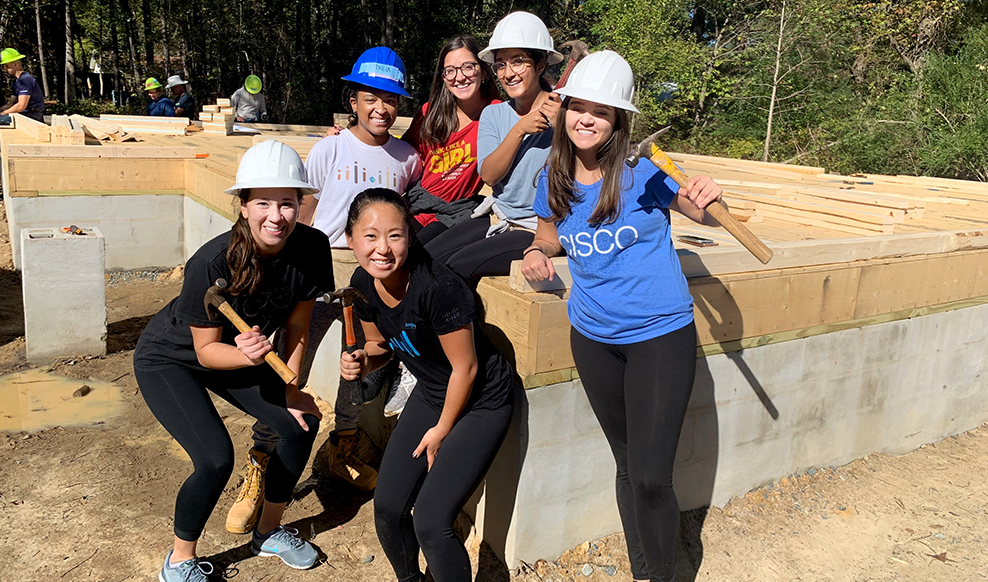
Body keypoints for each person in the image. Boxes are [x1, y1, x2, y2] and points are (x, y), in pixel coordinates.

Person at [521, 51, 725, 582]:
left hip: (660, 336)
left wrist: (705, 194)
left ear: (619, 121)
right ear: (564, 111)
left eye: (601, 111)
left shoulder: (644, 175)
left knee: (654, 476)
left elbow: (698, 210)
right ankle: (645, 572)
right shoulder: (554, 179)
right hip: (592, 337)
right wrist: (536, 254)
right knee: (628, 465)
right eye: (578, 108)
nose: (585, 119)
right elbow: (547, 235)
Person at [133, 140, 332, 581]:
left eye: (286, 203)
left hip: (244, 353)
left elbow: (299, 324)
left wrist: (291, 387)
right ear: (243, 206)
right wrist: (246, 356)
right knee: (214, 457)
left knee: (300, 424)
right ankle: (179, 561)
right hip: (172, 359)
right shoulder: (211, 261)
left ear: (300, 204)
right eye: (263, 203)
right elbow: (206, 351)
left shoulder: (313, 247)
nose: (275, 216)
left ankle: (268, 533)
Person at [340, 188, 514, 582]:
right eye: (370, 236)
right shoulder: (362, 282)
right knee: (387, 508)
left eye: (395, 235)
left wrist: (441, 431)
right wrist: (365, 360)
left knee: (432, 522)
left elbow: (466, 368)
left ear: (411, 237)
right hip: (436, 391)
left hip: (482, 399)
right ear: (350, 239)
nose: (382, 248)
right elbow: (381, 346)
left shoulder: (438, 286)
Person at [424, 11, 562, 282]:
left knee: (454, 270)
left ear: (541, 64)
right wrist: (520, 130)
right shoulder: (494, 115)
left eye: (519, 62)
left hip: (536, 229)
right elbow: (488, 174)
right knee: (422, 261)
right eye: (500, 65)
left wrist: (563, 127)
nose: (508, 73)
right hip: (498, 218)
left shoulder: (565, 111)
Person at [401, 35, 501, 245]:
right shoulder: (430, 112)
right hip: (418, 204)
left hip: (456, 212)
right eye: (451, 70)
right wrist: (348, 134)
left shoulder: (496, 112)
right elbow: (400, 152)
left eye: (468, 67)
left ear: (483, 71)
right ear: (443, 78)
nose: (460, 77)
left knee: (418, 254)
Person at [0, 48, 45, 124]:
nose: (5, 69)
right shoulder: (16, 81)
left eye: (7, 66)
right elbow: (11, 103)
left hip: (32, 116)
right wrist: (1, 110)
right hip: (23, 114)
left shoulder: (25, 80)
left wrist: (3, 113)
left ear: (15, 64)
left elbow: (21, 105)